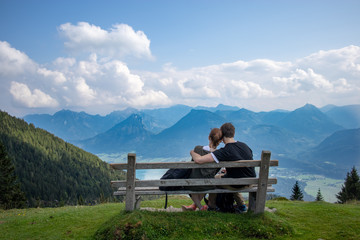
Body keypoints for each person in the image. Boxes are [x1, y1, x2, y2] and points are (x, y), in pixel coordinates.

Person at [190, 122, 256, 212]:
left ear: (222, 135)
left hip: (236, 184)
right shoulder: (245, 146)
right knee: (232, 178)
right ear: (234, 133)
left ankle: (211, 206)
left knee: (215, 179)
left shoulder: (224, 151)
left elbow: (199, 160)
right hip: (251, 181)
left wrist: (192, 152)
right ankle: (242, 205)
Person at [181, 128, 223, 211]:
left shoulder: (198, 149)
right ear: (220, 141)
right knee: (205, 183)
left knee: (192, 185)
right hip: (208, 184)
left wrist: (192, 152)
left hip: (193, 184)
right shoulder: (219, 154)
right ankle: (196, 206)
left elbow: (193, 164)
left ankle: (200, 207)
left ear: (209, 138)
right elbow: (216, 170)